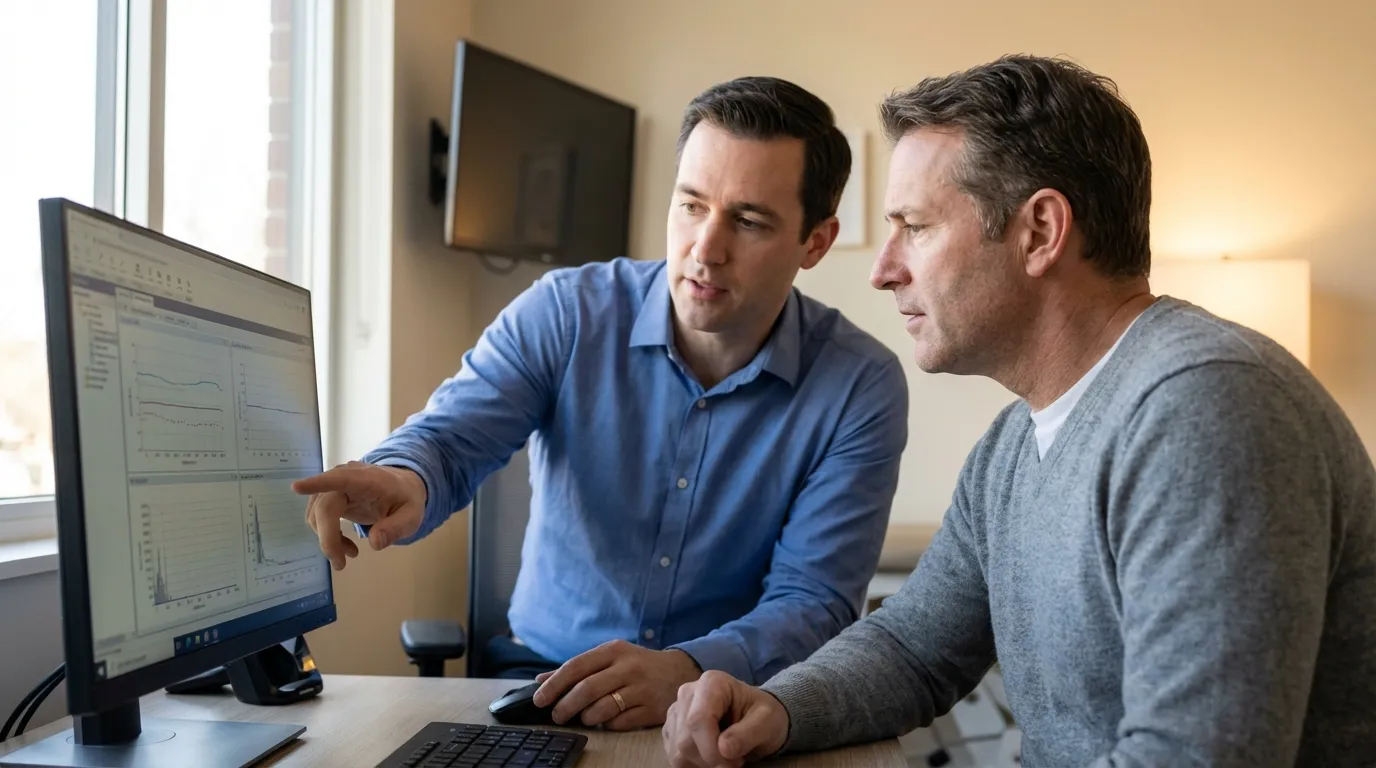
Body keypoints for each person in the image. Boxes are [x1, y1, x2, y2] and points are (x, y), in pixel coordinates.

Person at [662, 55, 1376, 768]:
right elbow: (913, 647)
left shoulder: (1206, 409)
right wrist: (780, 707)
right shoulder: (1014, 445)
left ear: (1039, 232)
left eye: (915, 226)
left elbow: (1197, 757)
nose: (883, 270)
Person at [293, 76, 909, 731]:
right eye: (691, 205)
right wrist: (399, 476)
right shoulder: (566, 312)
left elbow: (813, 601)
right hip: (540, 682)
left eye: (749, 221)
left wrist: (686, 668)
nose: (705, 249)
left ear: (814, 241)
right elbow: (448, 440)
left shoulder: (858, 385)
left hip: (727, 701)